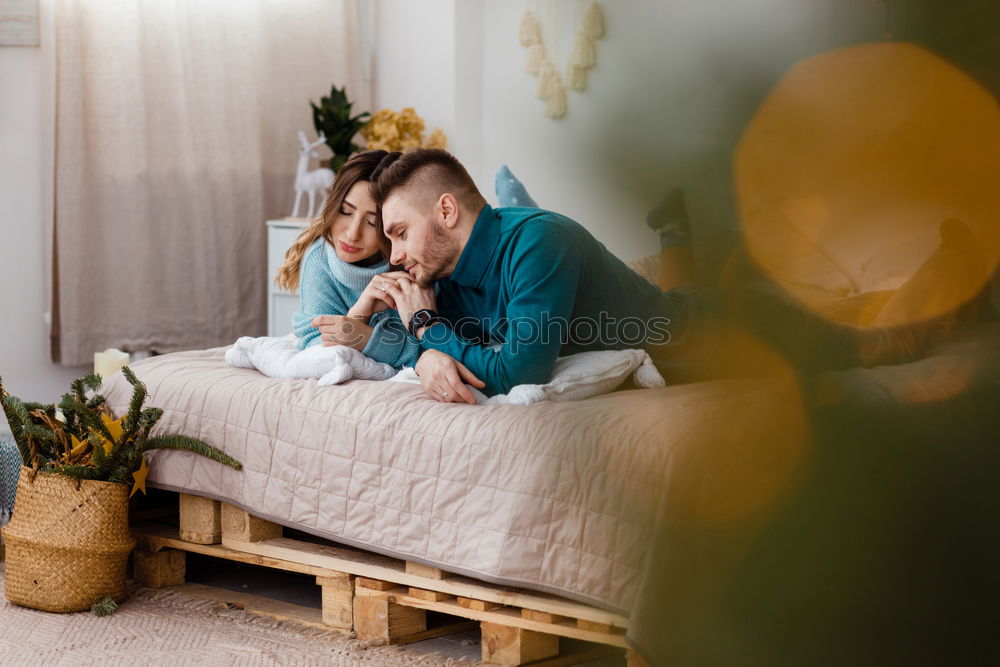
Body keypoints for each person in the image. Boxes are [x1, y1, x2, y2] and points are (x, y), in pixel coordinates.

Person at [368, 148, 972, 404]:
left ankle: (960, 273)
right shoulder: (440, 271)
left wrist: (425, 326)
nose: (392, 255)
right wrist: (419, 345)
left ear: (446, 211)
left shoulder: (538, 240)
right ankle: (677, 235)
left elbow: (517, 372)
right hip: (666, 311)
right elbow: (404, 347)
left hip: (726, 334)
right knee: (664, 294)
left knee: (875, 342)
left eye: (398, 232)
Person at [274, 150, 420, 369]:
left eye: (372, 223)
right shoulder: (320, 258)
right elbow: (317, 345)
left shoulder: (414, 264)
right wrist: (358, 317)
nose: (352, 234)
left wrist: (362, 337)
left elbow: (433, 347)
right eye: (345, 211)